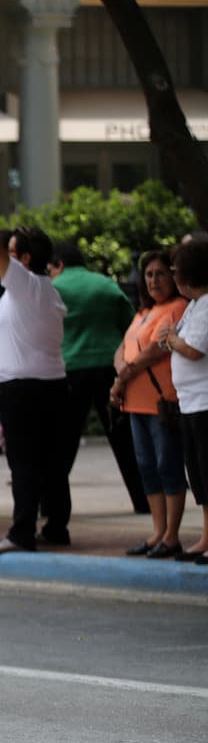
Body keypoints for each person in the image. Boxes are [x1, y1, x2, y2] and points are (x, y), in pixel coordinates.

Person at [0, 168, 71, 556]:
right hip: (47, 384)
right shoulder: (45, 290)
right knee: (47, 462)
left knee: (25, 464)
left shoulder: (26, 285)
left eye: (10, 256)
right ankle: (56, 526)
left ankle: (22, 533)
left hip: (24, 388)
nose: (2, 262)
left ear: (24, 260)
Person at [50, 242, 148, 515]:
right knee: (123, 437)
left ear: (57, 264)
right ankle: (143, 500)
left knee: (64, 440)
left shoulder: (54, 288)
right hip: (108, 365)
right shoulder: (105, 284)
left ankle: (51, 504)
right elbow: (129, 324)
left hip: (71, 366)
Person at [112, 249, 188, 559]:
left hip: (161, 403)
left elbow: (154, 351)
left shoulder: (177, 308)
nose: (154, 280)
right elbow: (122, 349)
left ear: (173, 276)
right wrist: (120, 374)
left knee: (167, 466)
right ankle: (157, 531)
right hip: (134, 404)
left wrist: (122, 376)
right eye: (149, 275)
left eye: (160, 273)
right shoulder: (141, 313)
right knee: (146, 468)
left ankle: (172, 535)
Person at [157, 238, 208, 564]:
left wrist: (172, 339)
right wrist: (171, 339)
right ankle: (206, 535)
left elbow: (193, 348)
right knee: (200, 477)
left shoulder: (206, 304)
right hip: (190, 402)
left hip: (204, 401)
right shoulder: (194, 305)